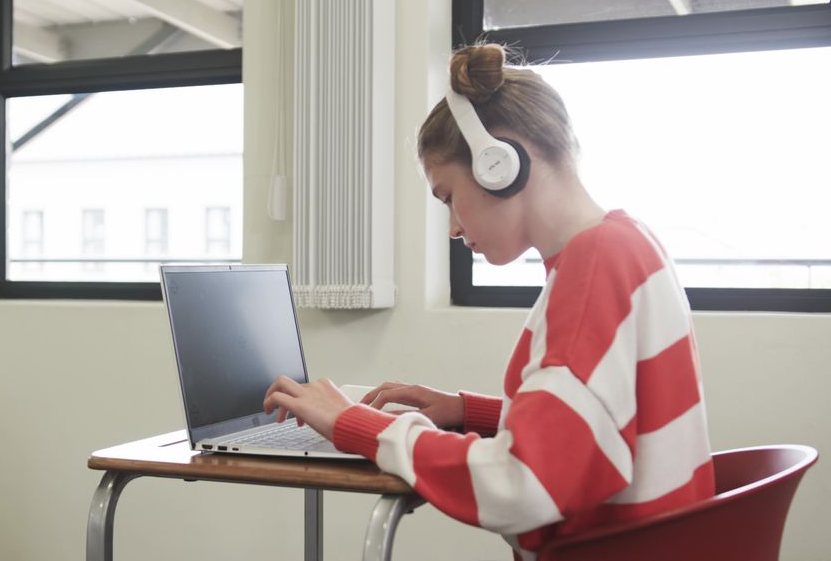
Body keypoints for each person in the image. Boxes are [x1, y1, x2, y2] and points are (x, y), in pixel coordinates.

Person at [263, 43, 714, 559]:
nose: (453, 227)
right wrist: (468, 412)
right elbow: (599, 423)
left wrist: (357, 424)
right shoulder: (628, 241)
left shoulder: (594, 269)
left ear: (498, 162)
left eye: (448, 196)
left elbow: (522, 485)